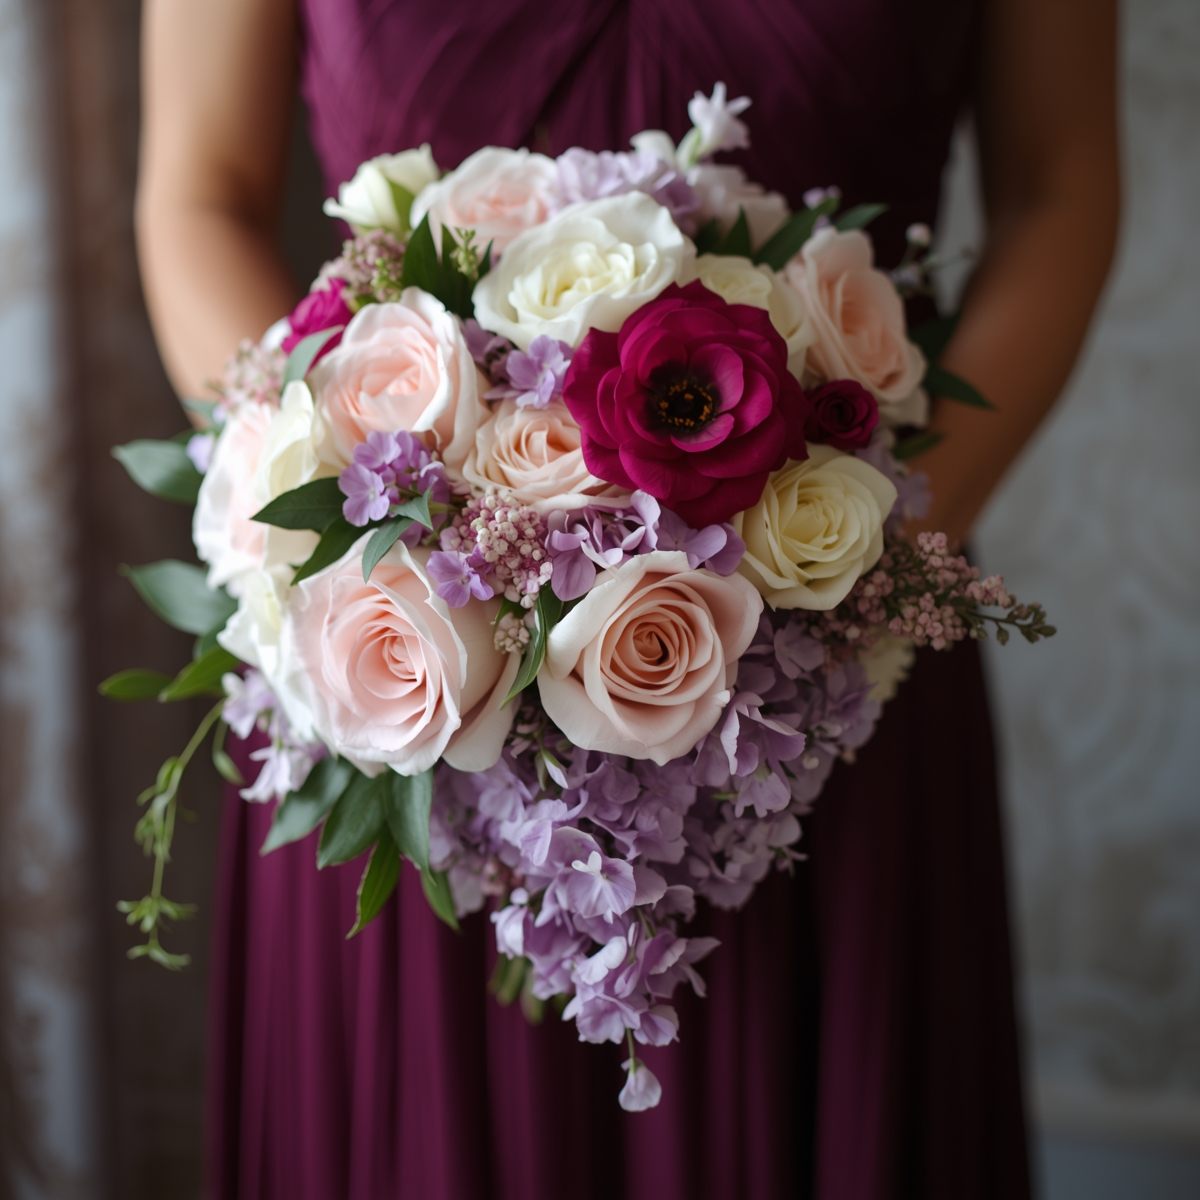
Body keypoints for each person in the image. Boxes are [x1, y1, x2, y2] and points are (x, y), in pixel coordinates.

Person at [135, 2, 1119, 1197]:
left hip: (822, 689)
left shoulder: (837, 612)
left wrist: (847, 578)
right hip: (405, 676)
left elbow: (1059, 187)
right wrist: (359, 549)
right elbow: (200, 190)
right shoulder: (397, 627)